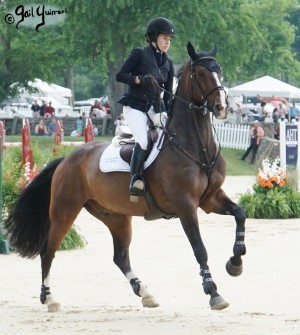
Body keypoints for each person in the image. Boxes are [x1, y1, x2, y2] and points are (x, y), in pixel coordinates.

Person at [116, 17, 175, 198]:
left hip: (155, 109)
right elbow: (120, 75)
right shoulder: (139, 54)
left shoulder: (168, 63)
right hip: (135, 107)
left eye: (169, 40)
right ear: (154, 37)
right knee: (143, 140)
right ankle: (136, 179)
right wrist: (137, 79)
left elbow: (168, 94)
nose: (168, 42)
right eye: (165, 38)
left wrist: (171, 113)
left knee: (171, 137)